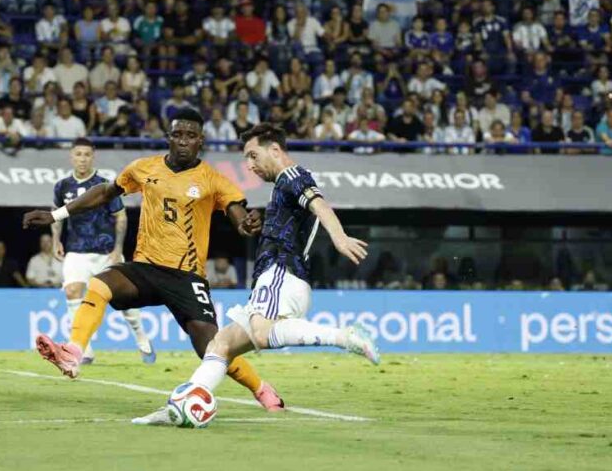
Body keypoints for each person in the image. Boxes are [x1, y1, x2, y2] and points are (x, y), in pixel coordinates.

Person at [23, 107, 282, 410]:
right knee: (100, 284)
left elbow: (238, 215)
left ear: (201, 141)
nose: (183, 141)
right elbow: (104, 193)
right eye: (178, 134)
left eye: (190, 136)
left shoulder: (213, 180)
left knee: (211, 348)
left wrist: (246, 224)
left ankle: (262, 389)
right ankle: (73, 352)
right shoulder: (144, 168)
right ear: (168, 137)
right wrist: (56, 214)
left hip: (187, 277)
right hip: (145, 268)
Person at [132, 124, 378, 425]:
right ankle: (182, 406)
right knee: (221, 345)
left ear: (274, 150)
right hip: (279, 278)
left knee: (261, 333)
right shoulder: (284, 184)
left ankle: (344, 337)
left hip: (280, 273)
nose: (249, 165)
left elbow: (320, 205)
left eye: (253, 155)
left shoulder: (292, 174)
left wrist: (339, 238)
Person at [50, 138, 155, 364]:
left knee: (125, 299)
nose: (82, 159)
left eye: (87, 154)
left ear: (93, 157)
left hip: (106, 252)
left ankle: (142, 338)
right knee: (72, 291)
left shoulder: (105, 185)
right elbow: (56, 215)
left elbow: (121, 217)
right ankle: (83, 349)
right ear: (71, 156)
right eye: (78, 154)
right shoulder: (62, 186)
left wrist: (118, 249)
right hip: (76, 251)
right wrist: (56, 240)